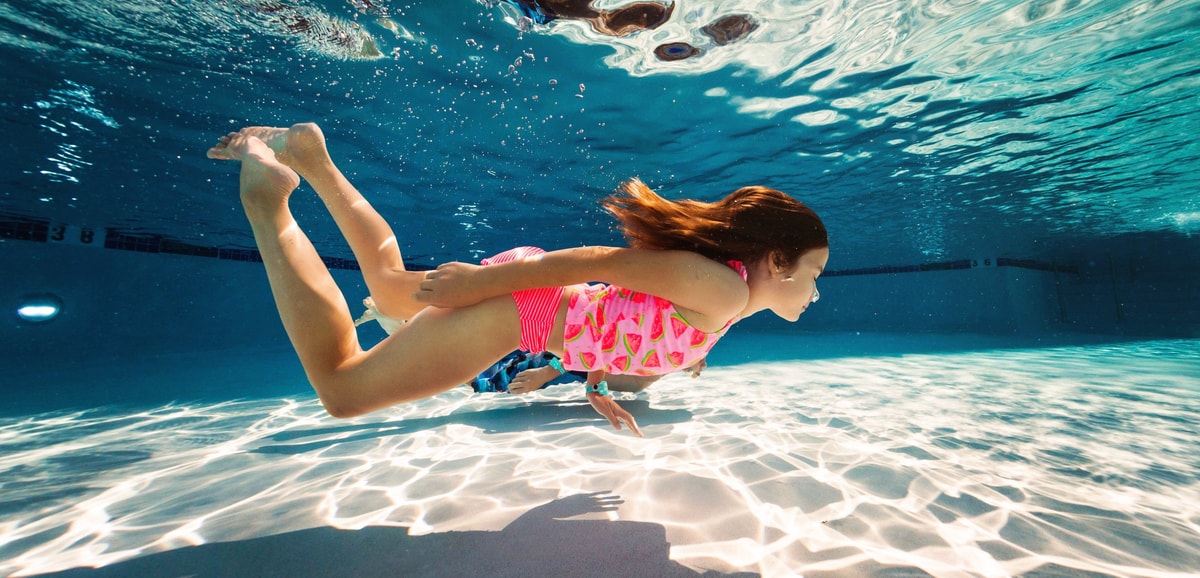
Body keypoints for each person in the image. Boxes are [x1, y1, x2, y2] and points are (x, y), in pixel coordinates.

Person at [207, 122, 828, 437]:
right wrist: (476, 289)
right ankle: (269, 201)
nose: (817, 291)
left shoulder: (723, 307)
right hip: (521, 310)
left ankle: (312, 157)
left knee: (391, 282)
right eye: (815, 273)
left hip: (532, 307)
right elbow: (599, 263)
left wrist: (595, 388)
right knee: (343, 390)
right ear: (777, 261)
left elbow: (621, 330)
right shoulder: (723, 290)